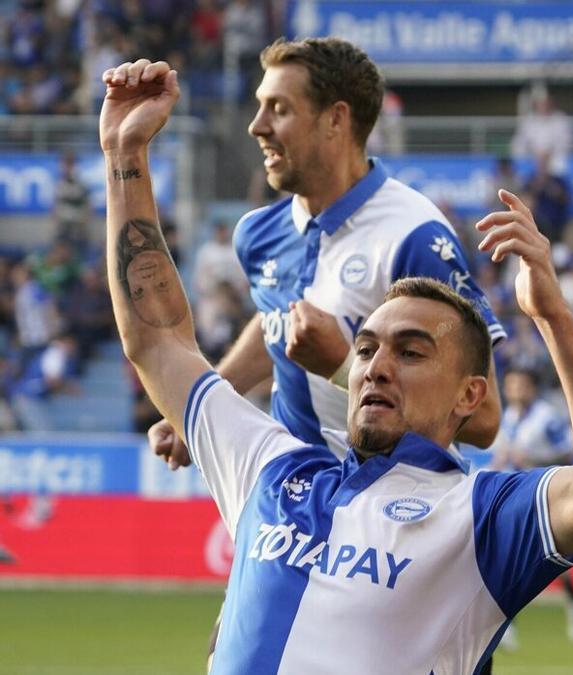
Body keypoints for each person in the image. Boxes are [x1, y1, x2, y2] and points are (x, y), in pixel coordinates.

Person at [100, 58, 573, 673]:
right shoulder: (273, 470)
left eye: (409, 352)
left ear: (467, 392)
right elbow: (159, 339)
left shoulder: (475, 516)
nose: (376, 365)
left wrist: (554, 320)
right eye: (365, 349)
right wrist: (125, 153)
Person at [140, 37, 506, 667]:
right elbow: (278, 323)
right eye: (259, 107)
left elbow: (484, 416)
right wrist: (203, 403)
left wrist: (343, 364)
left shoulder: (414, 236)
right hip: (293, 518)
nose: (257, 126)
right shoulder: (260, 233)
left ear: (337, 119)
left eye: (278, 109)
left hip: (395, 538)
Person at [492, 368, 573, 643]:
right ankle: (505, 623)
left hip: (545, 495)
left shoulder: (546, 417)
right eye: (511, 385)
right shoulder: (508, 417)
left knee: (554, 559)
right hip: (514, 495)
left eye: (521, 385)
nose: (515, 391)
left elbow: (568, 452)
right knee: (507, 557)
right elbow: (505, 453)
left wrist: (532, 460)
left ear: (532, 388)